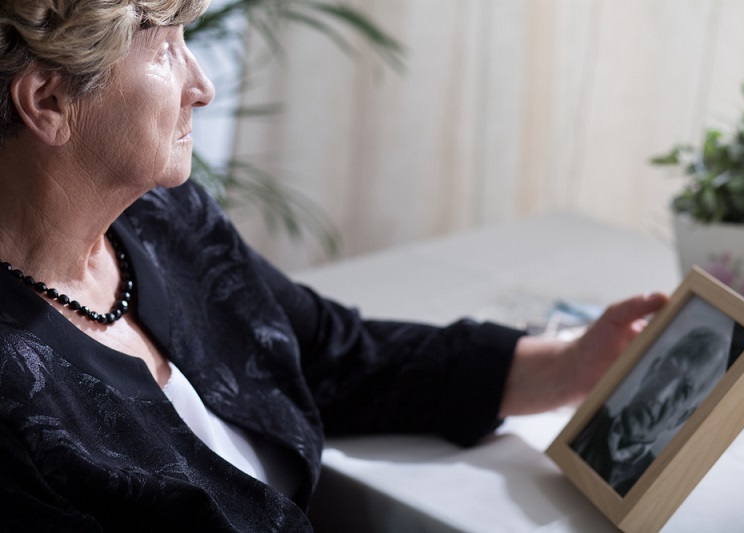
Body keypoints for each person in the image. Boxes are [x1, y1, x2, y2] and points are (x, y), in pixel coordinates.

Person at [0, 1, 667, 530]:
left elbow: (322, 353)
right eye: (167, 49)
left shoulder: (161, 220)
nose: (200, 86)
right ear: (49, 101)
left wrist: (568, 365)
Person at [571, 326, 728, 496]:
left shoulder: (656, 486)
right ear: (649, 373)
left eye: (683, 392)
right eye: (666, 372)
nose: (660, 396)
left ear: (683, 417)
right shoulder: (584, 423)